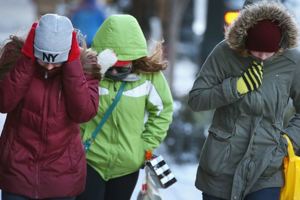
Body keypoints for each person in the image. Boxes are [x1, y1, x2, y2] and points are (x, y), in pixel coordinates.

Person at [188, 1, 300, 200]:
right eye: (257, 50)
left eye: (270, 52)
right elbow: (197, 99)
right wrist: (235, 87)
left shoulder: (292, 61)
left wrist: (287, 141)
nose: (263, 57)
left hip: (266, 168)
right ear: (245, 37)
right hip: (221, 166)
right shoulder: (224, 52)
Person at [0, 14, 100, 200]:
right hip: (17, 172)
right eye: (43, 59)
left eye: (56, 61)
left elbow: (84, 112)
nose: (50, 66)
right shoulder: (17, 60)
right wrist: (27, 60)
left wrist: (72, 65)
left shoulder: (84, 67)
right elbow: (4, 102)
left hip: (62, 177)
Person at [76, 14, 173, 200]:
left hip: (126, 167)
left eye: (121, 67)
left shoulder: (149, 78)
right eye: (111, 66)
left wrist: (145, 145)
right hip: (90, 160)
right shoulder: (89, 73)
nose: (114, 72)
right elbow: (74, 106)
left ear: (134, 58)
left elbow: (163, 111)